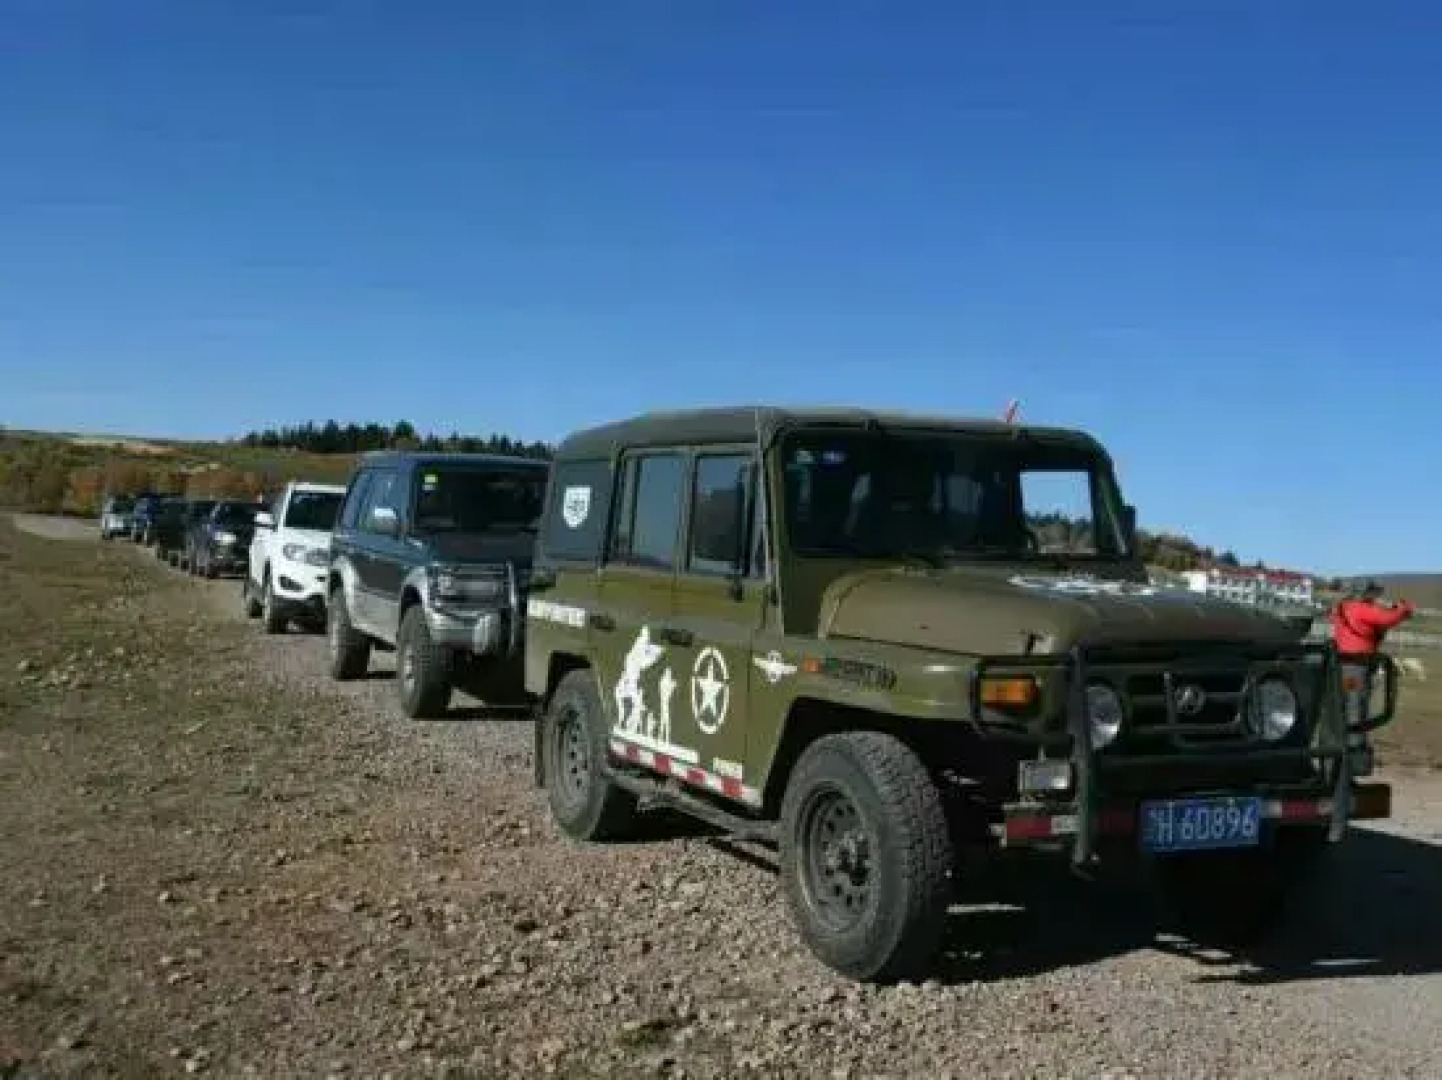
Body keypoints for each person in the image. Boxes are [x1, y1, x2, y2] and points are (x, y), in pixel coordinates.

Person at [1330, 581, 1414, 749]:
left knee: (1348, 699)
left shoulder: (1344, 607)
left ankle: (1342, 739)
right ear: (1364, 593)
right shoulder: (1361, 609)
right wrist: (1403, 608)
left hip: (1346, 664)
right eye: (1372, 592)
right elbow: (1387, 619)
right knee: (1356, 701)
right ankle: (1354, 743)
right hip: (1357, 666)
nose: (1375, 596)